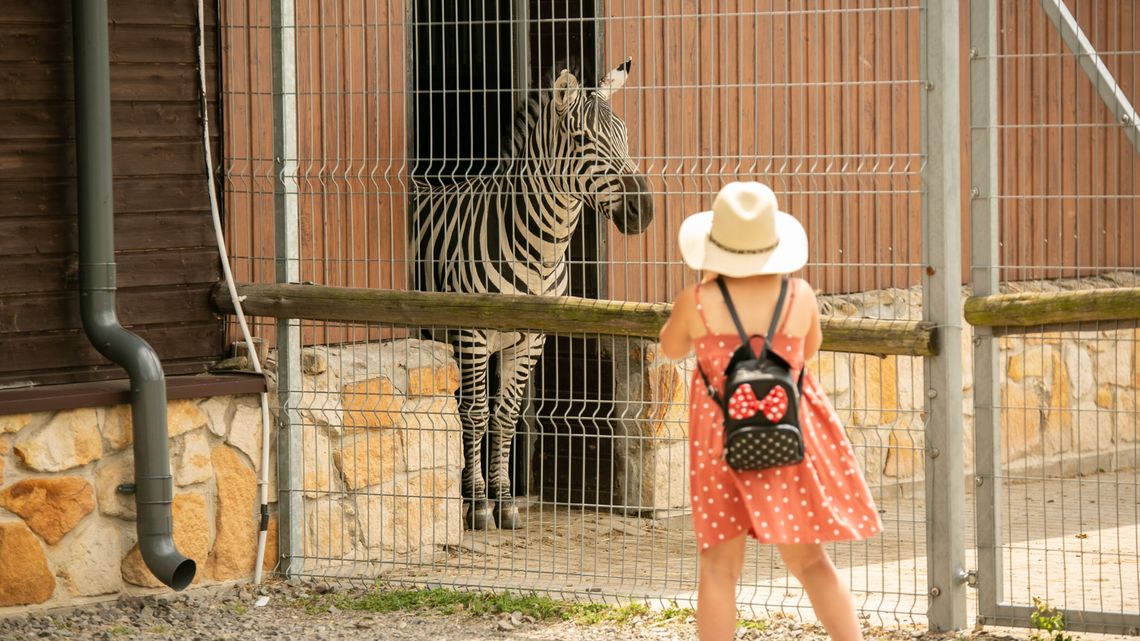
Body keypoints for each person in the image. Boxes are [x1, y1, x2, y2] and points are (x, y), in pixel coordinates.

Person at [658, 182, 882, 641]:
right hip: (787, 436)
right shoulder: (800, 296)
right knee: (811, 562)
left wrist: (709, 286)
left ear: (715, 247)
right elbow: (809, 351)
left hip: (722, 443)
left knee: (718, 569)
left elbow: (670, 347)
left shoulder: (696, 301)